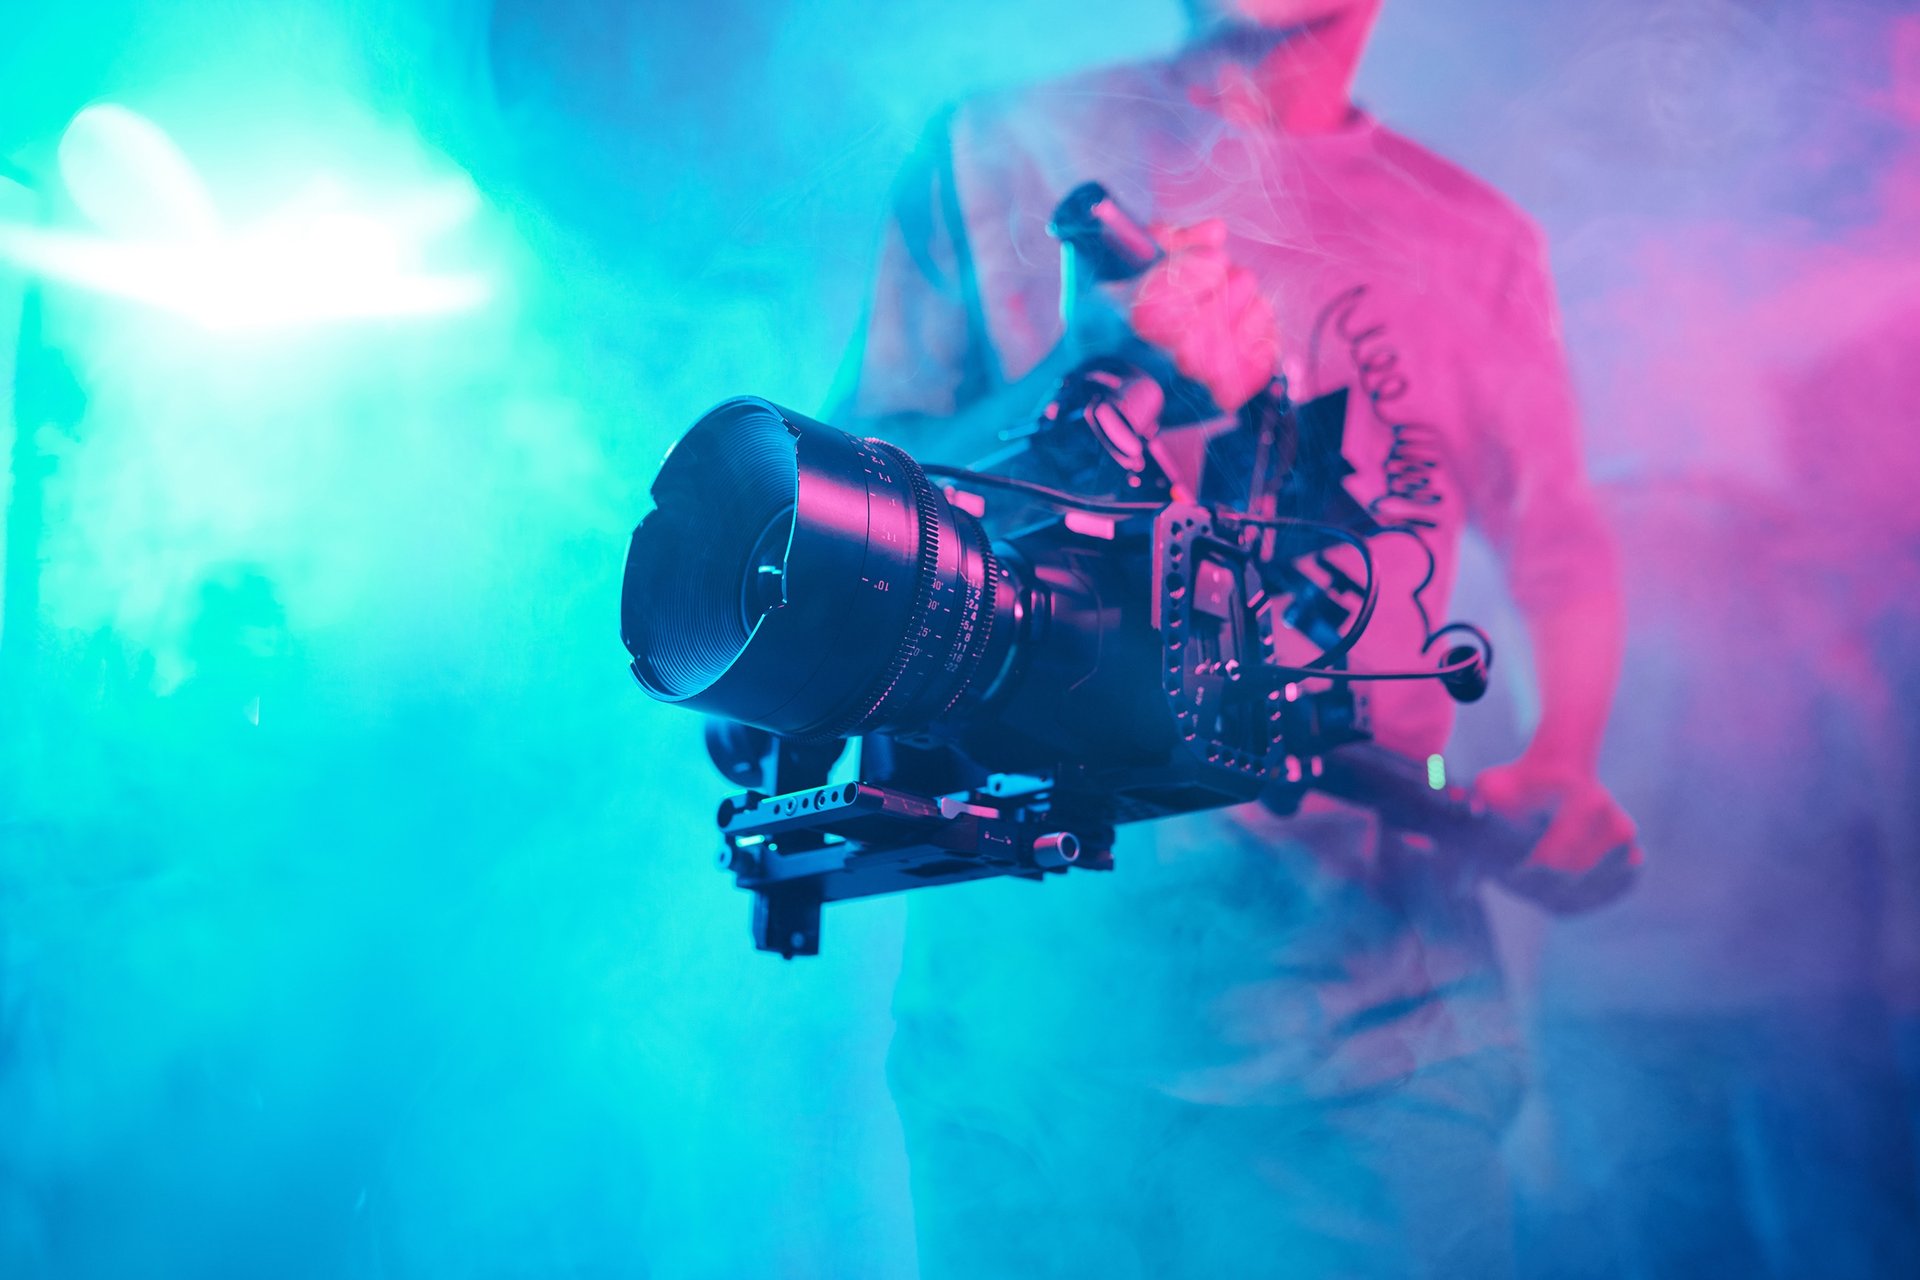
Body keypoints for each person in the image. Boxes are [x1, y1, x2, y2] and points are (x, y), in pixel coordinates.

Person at [831, 2, 1634, 1275]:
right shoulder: (993, 151)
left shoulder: (1473, 239)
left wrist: (1567, 757)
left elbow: (1563, 543)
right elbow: (850, 524)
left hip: (1372, 1043)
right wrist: (1083, 380)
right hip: (1033, 1042)